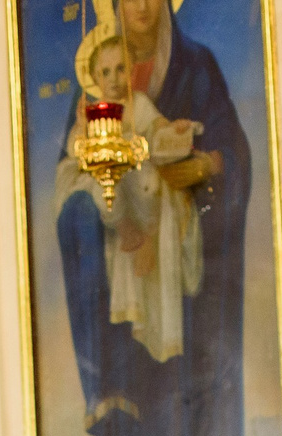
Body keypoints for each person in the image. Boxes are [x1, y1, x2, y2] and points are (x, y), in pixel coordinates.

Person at [56, 0, 251, 436]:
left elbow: (231, 157)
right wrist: (107, 218)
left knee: (179, 399)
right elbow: (76, 170)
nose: (139, 6)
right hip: (121, 288)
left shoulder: (196, 67)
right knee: (131, 410)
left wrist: (198, 168)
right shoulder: (96, 88)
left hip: (185, 285)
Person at [57, 27, 207, 370]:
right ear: (94, 78)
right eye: (105, 72)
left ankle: (140, 235)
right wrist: (82, 130)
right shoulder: (93, 113)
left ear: (131, 69)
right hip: (111, 189)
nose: (114, 78)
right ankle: (128, 233)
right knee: (96, 187)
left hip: (141, 188)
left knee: (145, 181)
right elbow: (75, 151)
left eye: (121, 69)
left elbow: (157, 132)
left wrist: (175, 130)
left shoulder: (138, 105)